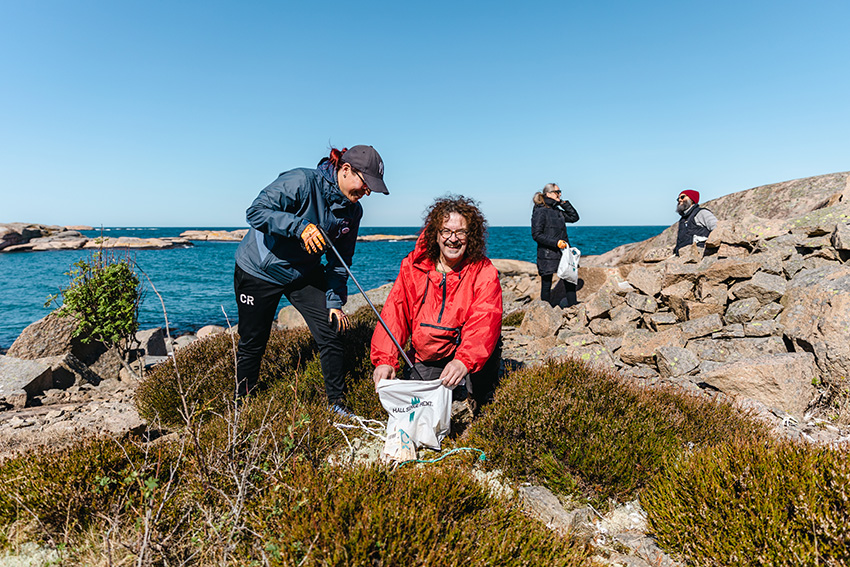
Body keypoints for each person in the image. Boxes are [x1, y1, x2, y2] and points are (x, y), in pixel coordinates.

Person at [233, 145, 389, 415]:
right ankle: (242, 406)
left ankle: (336, 406)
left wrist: (334, 300)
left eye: (371, 189)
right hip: (259, 269)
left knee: (332, 331)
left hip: (303, 273)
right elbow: (255, 212)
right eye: (366, 185)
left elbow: (340, 261)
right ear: (345, 170)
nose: (367, 193)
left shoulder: (353, 212)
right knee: (253, 342)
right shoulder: (302, 181)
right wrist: (300, 227)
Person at [370, 196, 503, 411]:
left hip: (465, 356)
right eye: (446, 231)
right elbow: (395, 313)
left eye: (461, 232)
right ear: (436, 235)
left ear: (471, 236)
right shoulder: (412, 267)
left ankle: (477, 395)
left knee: (481, 402)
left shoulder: (483, 271)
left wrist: (463, 361)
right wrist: (385, 359)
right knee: (421, 409)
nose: (453, 239)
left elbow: (485, 320)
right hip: (427, 357)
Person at [531, 183, 580, 307]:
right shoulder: (540, 211)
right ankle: (545, 313)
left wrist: (563, 203)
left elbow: (574, 217)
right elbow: (536, 235)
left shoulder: (557, 211)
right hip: (547, 253)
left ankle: (573, 309)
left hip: (563, 253)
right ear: (548, 194)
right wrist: (556, 242)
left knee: (570, 281)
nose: (560, 194)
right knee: (546, 284)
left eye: (560, 191)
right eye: (557, 192)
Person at [674, 189, 717, 255]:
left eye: (682, 197)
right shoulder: (683, 219)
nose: (680, 200)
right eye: (678, 199)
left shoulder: (702, 213)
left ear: (691, 199)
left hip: (699, 254)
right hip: (684, 256)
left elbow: (717, 229)